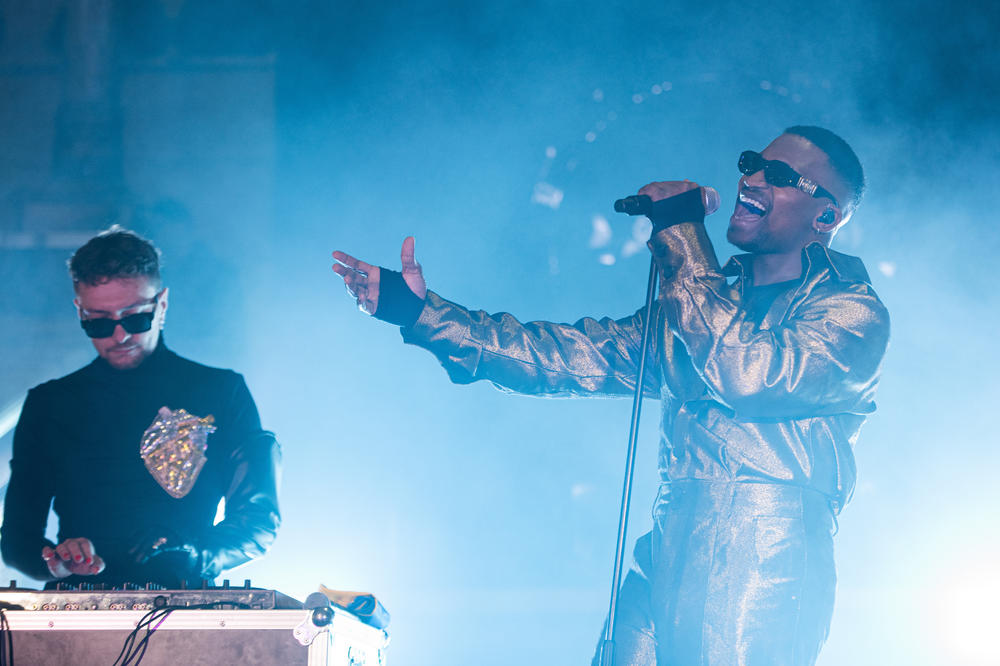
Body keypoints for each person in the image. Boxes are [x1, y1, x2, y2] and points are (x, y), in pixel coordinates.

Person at [330, 125, 890, 665]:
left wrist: (680, 232)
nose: (752, 178)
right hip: (669, 546)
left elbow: (749, 374)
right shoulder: (703, 305)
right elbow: (568, 357)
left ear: (826, 215)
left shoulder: (852, 312)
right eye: (752, 163)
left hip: (767, 556)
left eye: (778, 173)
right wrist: (423, 314)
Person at [1, 228, 281, 589]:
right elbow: (17, 541)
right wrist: (59, 562)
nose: (119, 336)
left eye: (134, 318)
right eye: (99, 322)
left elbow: (258, 521)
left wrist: (198, 555)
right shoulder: (50, 403)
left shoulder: (221, 391)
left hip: (189, 606)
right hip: (76, 612)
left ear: (161, 304)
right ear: (79, 312)